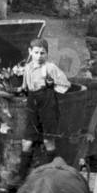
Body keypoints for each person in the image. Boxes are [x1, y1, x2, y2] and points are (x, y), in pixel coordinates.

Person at [11, 37, 70, 165]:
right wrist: (15, 90)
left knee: (48, 140)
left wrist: (51, 86)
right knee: (27, 141)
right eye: (36, 52)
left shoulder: (50, 68)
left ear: (47, 54)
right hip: (32, 103)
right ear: (30, 52)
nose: (39, 56)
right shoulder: (28, 67)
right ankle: (21, 175)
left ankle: (51, 170)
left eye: (42, 53)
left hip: (47, 104)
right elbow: (25, 86)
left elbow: (65, 84)